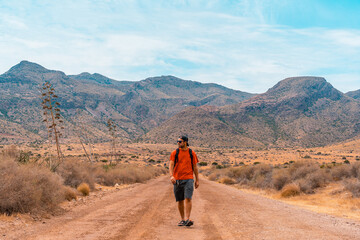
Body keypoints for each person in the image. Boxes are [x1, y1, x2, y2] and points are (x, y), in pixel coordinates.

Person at [169, 136, 199, 227]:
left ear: (185, 142)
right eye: (177, 141)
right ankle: (182, 219)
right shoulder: (175, 153)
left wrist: (197, 180)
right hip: (177, 180)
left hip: (189, 179)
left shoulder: (191, 153)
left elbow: (195, 167)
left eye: (180, 141)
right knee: (180, 200)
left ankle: (187, 219)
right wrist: (171, 176)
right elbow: (171, 165)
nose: (178, 143)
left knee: (188, 198)